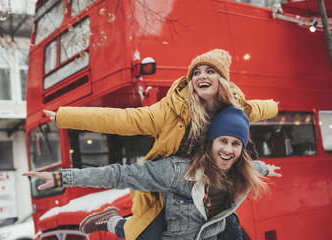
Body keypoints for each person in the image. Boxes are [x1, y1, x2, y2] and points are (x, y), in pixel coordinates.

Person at [43, 49, 279, 239]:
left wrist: (275, 105)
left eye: (210, 71)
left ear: (222, 80)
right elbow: (124, 120)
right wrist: (66, 117)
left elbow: (258, 109)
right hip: (174, 181)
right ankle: (112, 220)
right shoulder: (171, 109)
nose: (201, 76)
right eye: (196, 72)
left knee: (231, 230)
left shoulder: (235, 107)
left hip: (212, 180)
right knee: (146, 234)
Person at [23, 106, 281, 240]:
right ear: (210, 143)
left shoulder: (242, 169)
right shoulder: (177, 171)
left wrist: (267, 168)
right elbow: (118, 174)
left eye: (235, 144)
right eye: (222, 141)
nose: (228, 149)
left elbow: (255, 166)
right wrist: (62, 177)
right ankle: (111, 221)